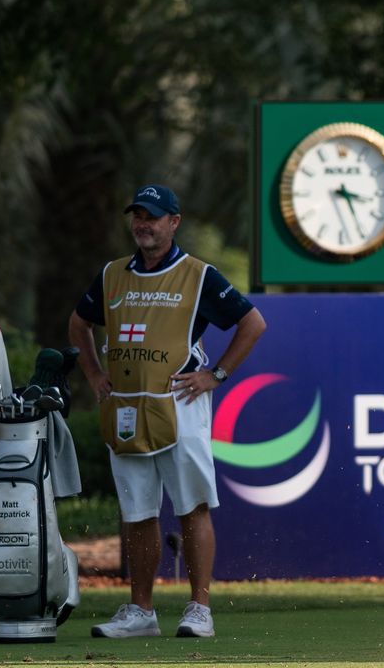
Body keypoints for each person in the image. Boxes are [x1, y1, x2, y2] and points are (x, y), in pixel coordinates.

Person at [68, 184, 266, 639]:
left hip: (181, 403)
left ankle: (199, 608)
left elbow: (252, 324)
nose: (143, 223)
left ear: (173, 223)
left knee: (192, 506)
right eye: (137, 215)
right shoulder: (112, 274)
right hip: (126, 409)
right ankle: (142, 611)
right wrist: (95, 374)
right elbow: (79, 324)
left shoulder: (199, 275)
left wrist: (215, 375)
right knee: (137, 511)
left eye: (153, 216)